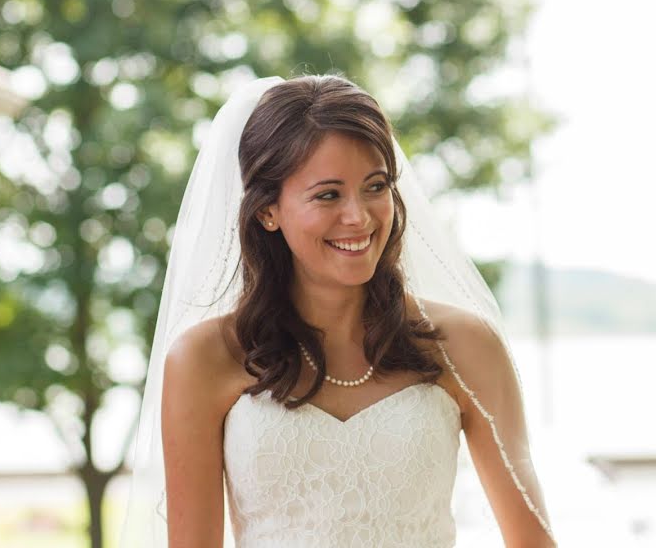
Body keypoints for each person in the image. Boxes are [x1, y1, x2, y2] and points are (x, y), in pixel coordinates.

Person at [118, 74, 558, 547]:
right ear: (268, 210)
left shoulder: (464, 345)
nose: (360, 216)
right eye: (328, 194)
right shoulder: (205, 358)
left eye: (376, 186)